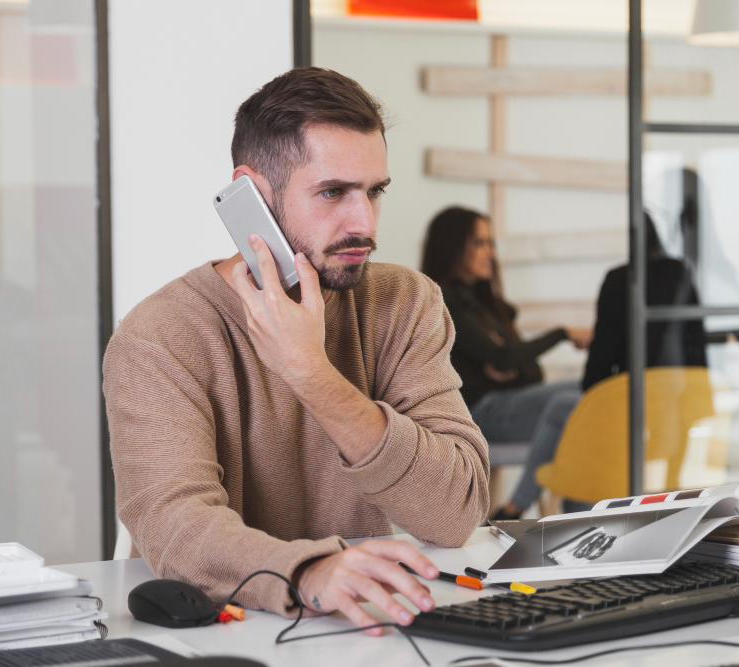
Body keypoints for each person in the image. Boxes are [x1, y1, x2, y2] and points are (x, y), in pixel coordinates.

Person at [102, 68, 489, 635]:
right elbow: (176, 529)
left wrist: (310, 370)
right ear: (254, 195)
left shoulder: (406, 302)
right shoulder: (160, 335)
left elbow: (455, 512)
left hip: (364, 629)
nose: (365, 222)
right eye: (333, 192)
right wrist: (308, 571)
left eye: (374, 191)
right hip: (225, 635)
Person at [420, 207, 592, 521]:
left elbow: (527, 369)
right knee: (576, 401)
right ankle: (561, 515)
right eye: (480, 243)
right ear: (454, 247)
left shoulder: (488, 307)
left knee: (593, 391)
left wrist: (513, 363)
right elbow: (507, 358)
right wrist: (561, 333)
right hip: (481, 413)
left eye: (491, 242)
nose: (491, 253)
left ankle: (521, 508)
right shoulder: (444, 304)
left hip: (507, 404)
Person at [582, 212, 707, 393]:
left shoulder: (620, 279)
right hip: (680, 388)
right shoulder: (679, 273)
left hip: (633, 393)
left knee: (557, 403)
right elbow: (696, 339)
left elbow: (603, 353)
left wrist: (590, 392)